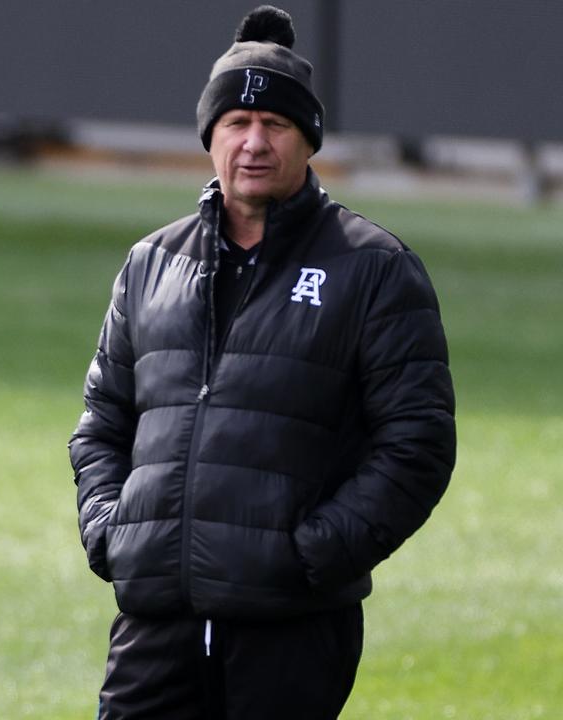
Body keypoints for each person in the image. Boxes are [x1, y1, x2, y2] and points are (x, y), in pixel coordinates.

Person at [69, 5, 456, 718]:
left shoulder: (373, 266)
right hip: (157, 618)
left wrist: (311, 556)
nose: (254, 142)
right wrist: (111, 531)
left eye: (275, 126)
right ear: (209, 137)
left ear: (307, 141)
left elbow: (418, 445)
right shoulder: (152, 262)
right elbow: (102, 421)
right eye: (236, 125)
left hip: (292, 626)